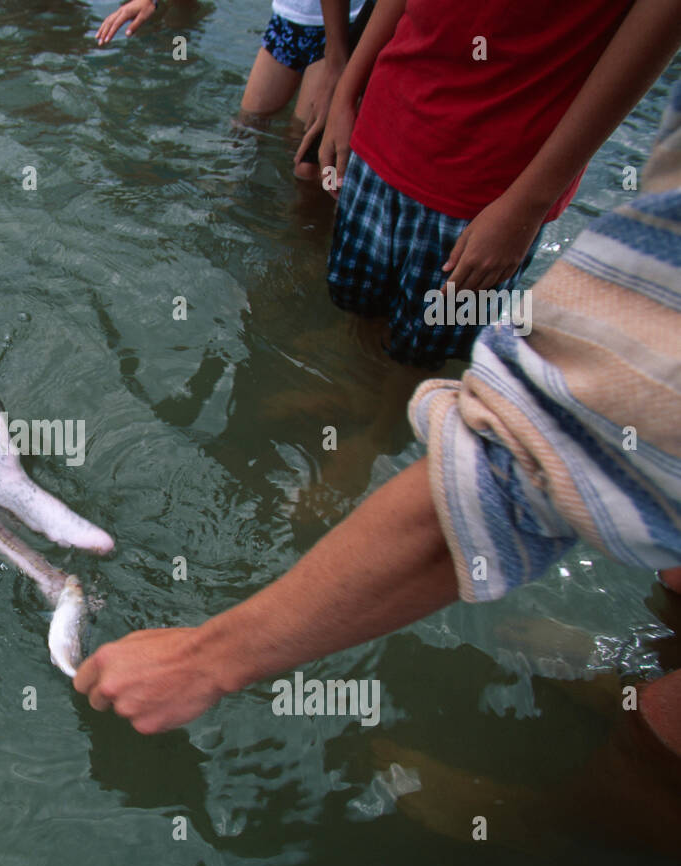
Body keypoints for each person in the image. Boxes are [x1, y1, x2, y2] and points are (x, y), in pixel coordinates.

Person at [75, 76, 681, 784]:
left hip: (478, 189)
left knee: (649, 756)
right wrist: (347, 78)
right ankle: (636, 670)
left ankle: (598, 813)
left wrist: (206, 658)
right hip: (404, 141)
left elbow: (512, 475)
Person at [318, 0, 681, 369]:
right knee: (360, 299)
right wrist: (345, 94)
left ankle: (384, 424)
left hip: (488, 192)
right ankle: (355, 390)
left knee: (432, 347)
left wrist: (525, 209)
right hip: (379, 128)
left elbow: (649, 40)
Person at [94, 0, 369, 181]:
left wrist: (337, 66)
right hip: (289, 18)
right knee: (244, 130)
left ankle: (308, 240)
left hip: (344, 28)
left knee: (307, 163)